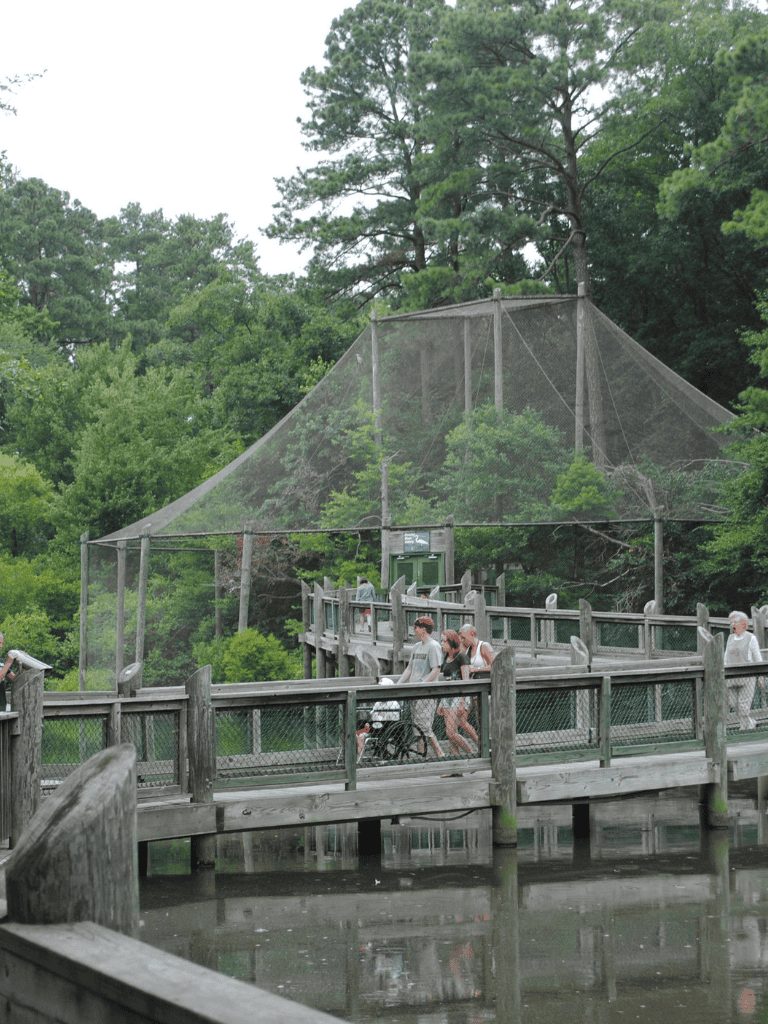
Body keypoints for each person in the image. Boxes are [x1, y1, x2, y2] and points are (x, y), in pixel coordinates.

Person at [395, 615, 443, 757]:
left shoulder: (434, 646)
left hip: (426, 693)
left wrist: (422, 683)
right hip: (413, 692)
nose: (414, 631)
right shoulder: (416, 647)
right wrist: (398, 684)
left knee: (425, 728)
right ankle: (422, 757)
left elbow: (436, 670)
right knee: (417, 729)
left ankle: (441, 755)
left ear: (423, 629)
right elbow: (409, 668)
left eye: (415, 628)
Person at [437, 630, 477, 758]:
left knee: (450, 732)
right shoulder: (445, 658)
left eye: (444, 641)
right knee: (451, 732)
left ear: (451, 642)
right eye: (441, 641)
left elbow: (466, 680)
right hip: (448, 696)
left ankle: (471, 753)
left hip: (459, 695)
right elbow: (444, 680)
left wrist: (463, 703)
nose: (442, 644)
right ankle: (456, 763)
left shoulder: (461, 657)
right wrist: (441, 702)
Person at [725, 610, 764, 731]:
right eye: (731, 622)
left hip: (747, 677)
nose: (732, 624)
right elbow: (725, 657)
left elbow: (758, 658)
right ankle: (750, 722)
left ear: (742, 623)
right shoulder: (730, 638)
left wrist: (761, 676)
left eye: (735, 622)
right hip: (731, 677)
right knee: (733, 704)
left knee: (743, 705)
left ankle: (743, 727)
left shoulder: (751, 638)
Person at [0, 634, 16, 711]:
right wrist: (9, 662)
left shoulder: (1, 662)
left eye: (1, 643)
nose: (1, 646)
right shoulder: (5, 664)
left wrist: (21, 666)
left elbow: (15, 679)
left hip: (2, 706)